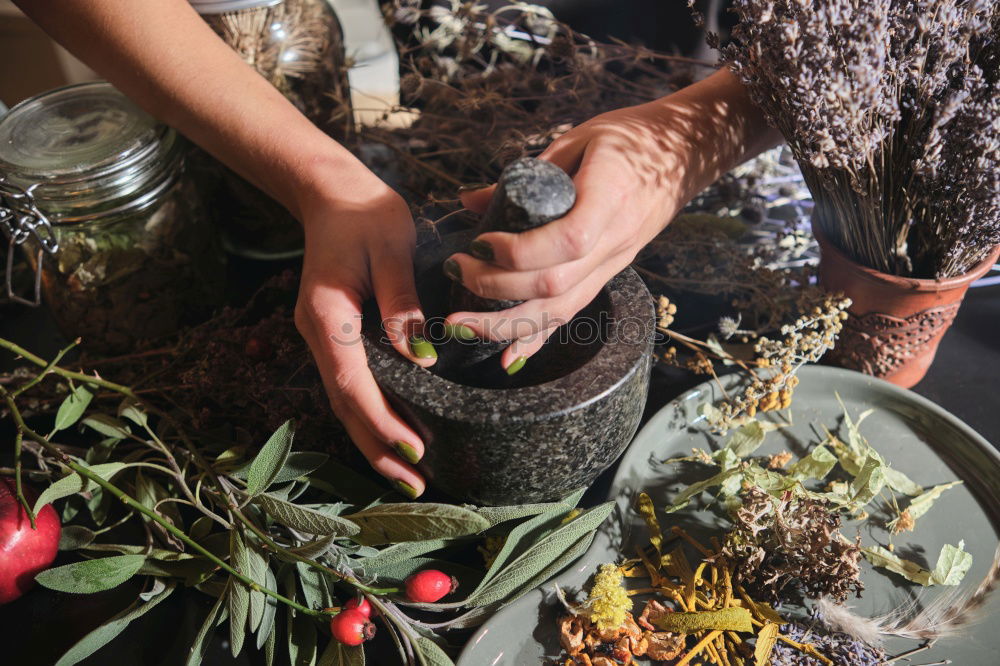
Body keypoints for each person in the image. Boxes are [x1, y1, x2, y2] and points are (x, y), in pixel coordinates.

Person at [15, 0, 781, 498]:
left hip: (735, 124)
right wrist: (324, 183)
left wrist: (694, 134)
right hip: (436, 98)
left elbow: (890, 37)